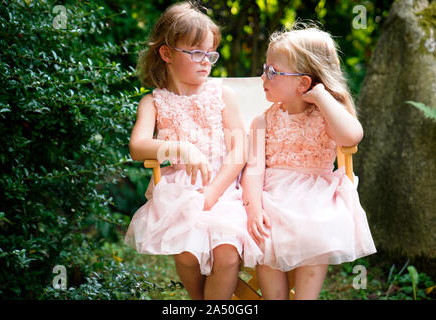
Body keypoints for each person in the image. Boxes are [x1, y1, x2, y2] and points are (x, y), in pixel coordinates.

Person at [241, 24, 376, 300]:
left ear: (303, 83)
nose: (263, 77)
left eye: (272, 72)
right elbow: (253, 171)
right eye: (264, 68)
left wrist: (322, 97)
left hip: (317, 198)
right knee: (265, 241)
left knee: (317, 231)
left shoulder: (326, 117)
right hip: (272, 198)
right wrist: (254, 208)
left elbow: (351, 136)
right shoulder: (262, 121)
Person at [124, 2, 247, 300]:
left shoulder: (222, 95)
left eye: (210, 54)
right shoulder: (153, 102)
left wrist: (214, 192)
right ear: (166, 54)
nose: (206, 61)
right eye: (196, 53)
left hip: (225, 189)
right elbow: (138, 147)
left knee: (227, 255)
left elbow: (241, 149)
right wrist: (180, 148)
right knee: (188, 256)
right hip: (180, 192)